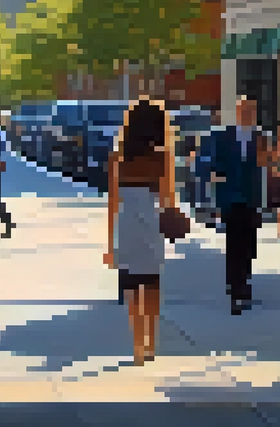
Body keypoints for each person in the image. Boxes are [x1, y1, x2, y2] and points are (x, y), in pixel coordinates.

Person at [104, 98, 176, 365]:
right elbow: (168, 197)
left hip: (127, 225)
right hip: (151, 223)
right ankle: (151, 344)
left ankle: (136, 347)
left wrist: (110, 245)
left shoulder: (118, 158)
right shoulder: (162, 157)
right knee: (153, 285)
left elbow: (112, 202)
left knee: (132, 288)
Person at [201, 96, 266, 315]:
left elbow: (265, 167)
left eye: (250, 110)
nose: (246, 113)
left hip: (251, 199)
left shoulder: (260, 138)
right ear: (237, 112)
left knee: (249, 246)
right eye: (243, 109)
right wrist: (214, 175)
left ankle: (245, 284)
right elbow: (211, 161)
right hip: (230, 198)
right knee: (233, 245)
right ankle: (235, 289)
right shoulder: (224, 136)